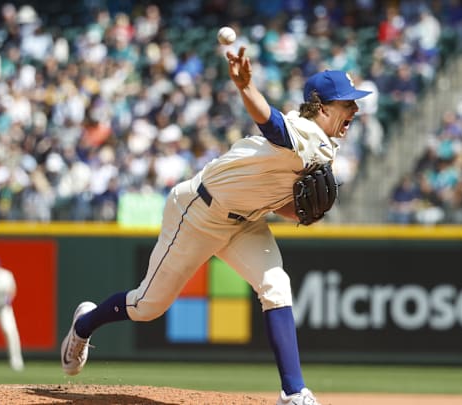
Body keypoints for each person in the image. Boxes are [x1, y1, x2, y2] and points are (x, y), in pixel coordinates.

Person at [60, 46, 371, 405]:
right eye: (347, 103)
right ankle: (84, 324)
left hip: (245, 222)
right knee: (148, 306)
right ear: (322, 106)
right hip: (199, 212)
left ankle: (294, 392)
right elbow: (269, 122)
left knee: (276, 285)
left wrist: (303, 213)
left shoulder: (322, 145)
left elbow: (283, 203)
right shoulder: (305, 131)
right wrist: (245, 87)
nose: (355, 109)